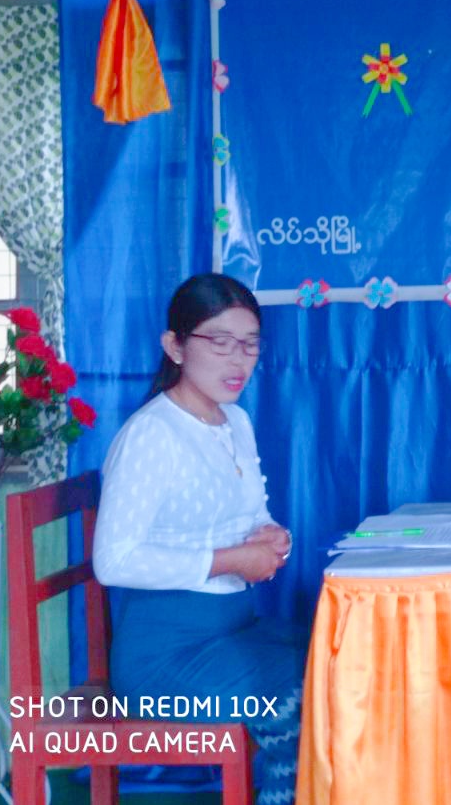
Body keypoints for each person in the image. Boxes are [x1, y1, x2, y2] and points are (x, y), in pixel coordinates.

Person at [93, 274, 305, 805]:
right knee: (302, 689)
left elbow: (254, 515)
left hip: (234, 629)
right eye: (220, 342)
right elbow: (113, 561)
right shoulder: (151, 435)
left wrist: (271, 537)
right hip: (164, 658)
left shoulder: (236, 421)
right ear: (176, 346)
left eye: (250, 344)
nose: (238, 360)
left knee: (340, 655)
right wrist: (233, 559)